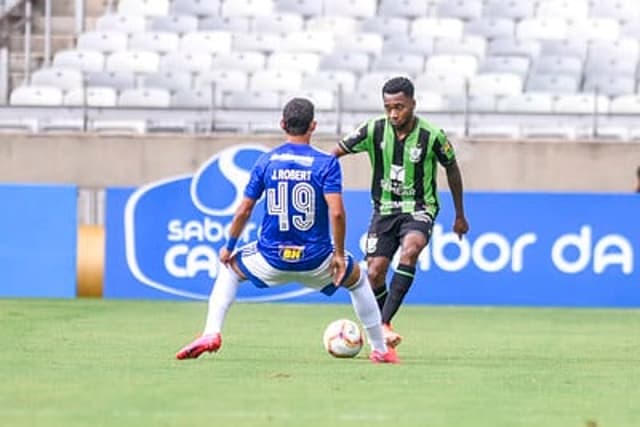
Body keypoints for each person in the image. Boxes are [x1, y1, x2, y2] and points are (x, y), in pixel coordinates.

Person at [176, 98, 398, 364]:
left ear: (282, 124)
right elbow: (336, 212)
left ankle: (211, 332)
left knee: (228, 269)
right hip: (316, 259)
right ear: (313, 125)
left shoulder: (266, 162)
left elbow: (243, 211)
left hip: (270, 257)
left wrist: (229, 246)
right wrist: (338, 255)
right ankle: (380, 349)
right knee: (359, 280)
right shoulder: (326, 163)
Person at [332, 76, 470, 349]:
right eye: (388, 107)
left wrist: (459, 214)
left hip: (420, 208)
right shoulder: (373, 130)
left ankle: (382, 323)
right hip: (384, 209)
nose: (394, 113)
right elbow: (335, 152)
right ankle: (385, 327)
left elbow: (452, 168)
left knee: (412, 248)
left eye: (400, 107)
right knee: (374, 273)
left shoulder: (432, 136)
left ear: (413, 104)